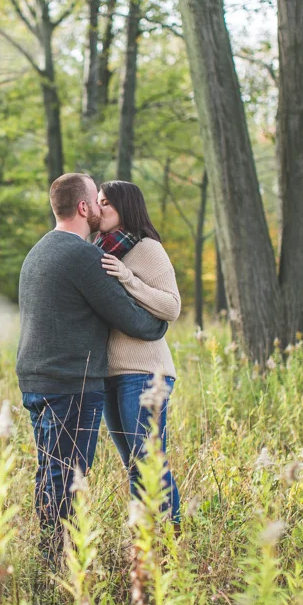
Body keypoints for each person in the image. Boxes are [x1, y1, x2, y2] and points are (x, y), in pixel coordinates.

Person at [16, 173, 168, 560]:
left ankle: (50, 553)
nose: (100, 207)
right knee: (67, 474)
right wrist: (158, 323)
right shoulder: (84, 256)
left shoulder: (38, 251)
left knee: (50, 468)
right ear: (83, 207)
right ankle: (60, 560)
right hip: (72, 382)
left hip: (36, 378)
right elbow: (131, 318)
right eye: (95, 200)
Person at [95, 180, 182, 522]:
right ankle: (146, 545)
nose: (98, 208)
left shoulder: (147, 249)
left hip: (145, 374)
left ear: (124, 208)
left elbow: (172, 306)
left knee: (149, 464)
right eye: (97, 201)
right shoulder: (100, 249)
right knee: (134, 467)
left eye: (106, 203)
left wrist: (129, 278)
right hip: (110, 376)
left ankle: (172, 544)